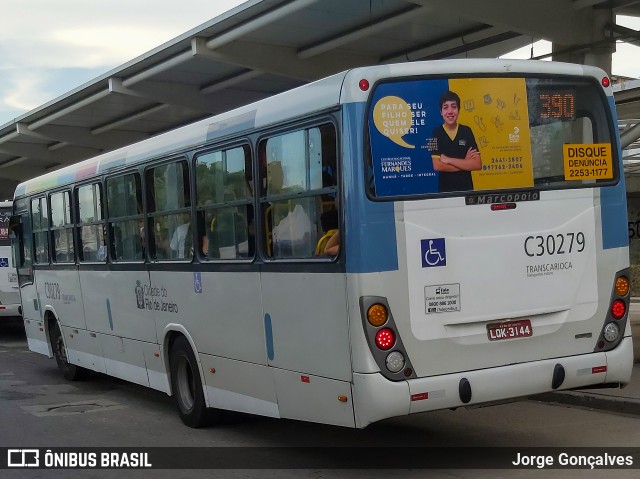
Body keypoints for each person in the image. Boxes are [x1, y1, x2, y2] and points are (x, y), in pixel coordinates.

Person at [430, 90, 482, 193]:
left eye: (453, 106)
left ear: (459, 110)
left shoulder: (467, 131)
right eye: (446, 107)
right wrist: (466, 163)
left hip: (467, 192)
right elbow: (437, 166)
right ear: (441, 112)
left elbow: (477, 164)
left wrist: (448, 160)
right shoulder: (435, 134)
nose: (450, 111)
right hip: (445, 193)